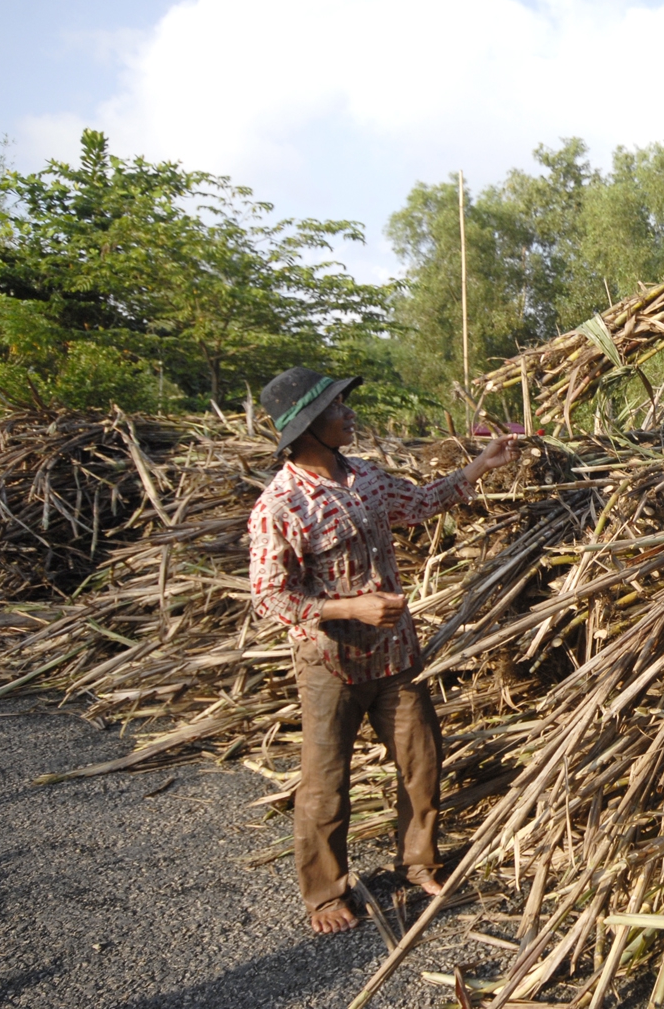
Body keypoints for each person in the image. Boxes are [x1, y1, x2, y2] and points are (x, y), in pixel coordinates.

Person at [248, 367, 515, 934]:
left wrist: (479, 467)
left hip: (396, 655)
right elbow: (271, 596)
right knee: (326, 783)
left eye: (344, 404)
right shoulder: (281, 504)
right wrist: (350, 609)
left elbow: (419, 503)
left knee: (422, 764)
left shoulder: (364, 476)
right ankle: (324, 894)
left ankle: (418, 863)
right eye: (336, 408)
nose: (349, 414)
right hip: (331, 664)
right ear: (307, 429)